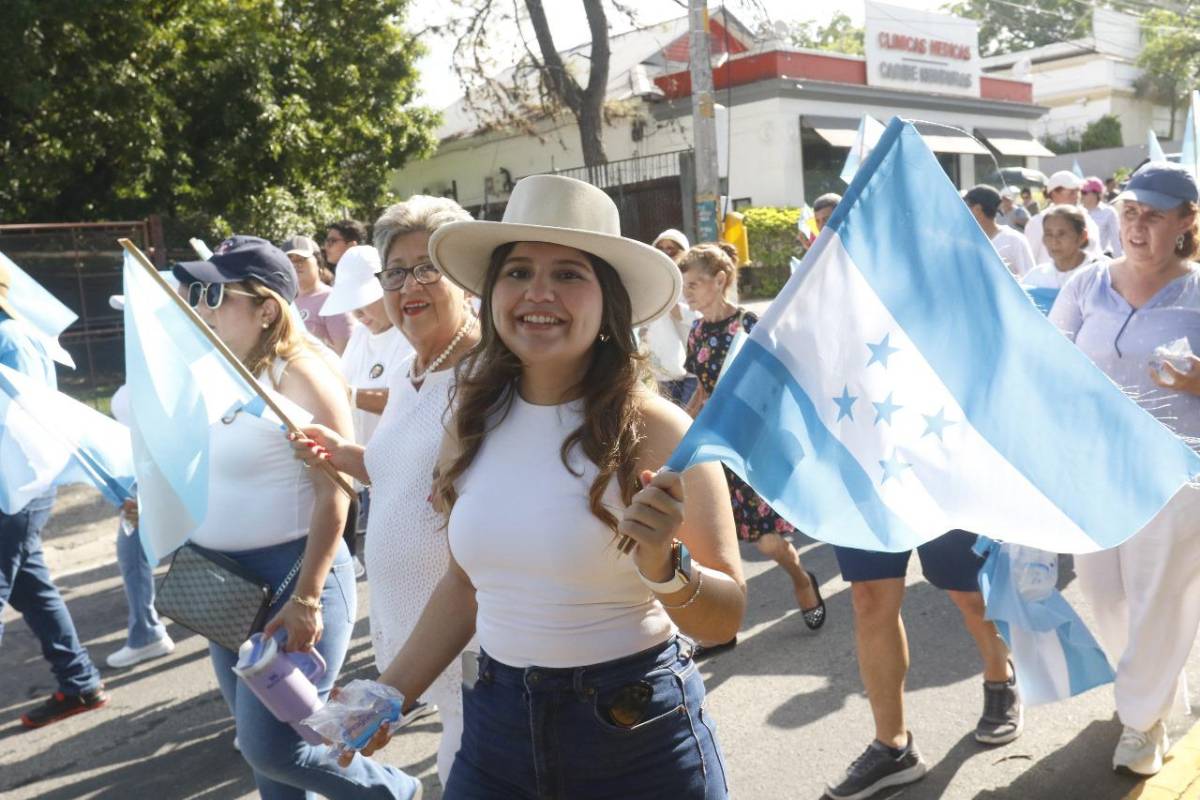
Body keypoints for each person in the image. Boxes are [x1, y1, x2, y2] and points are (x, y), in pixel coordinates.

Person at [349, 174, 744, 799]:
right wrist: (389, 693)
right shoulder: (470, 419)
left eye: (568, 274)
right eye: (518, 271)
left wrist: (664, 564)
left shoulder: (659, 429)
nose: (538, 293)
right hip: (497, 726)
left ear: (608, 301)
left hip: (634, 732)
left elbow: (724, 619)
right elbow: (464, 583)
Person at [172, 236, 420, 799]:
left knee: (276, 747)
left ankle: (395, 792)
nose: (199, 305)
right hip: (227, 586)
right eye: (195, 292)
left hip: (294, 577)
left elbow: (337, 488)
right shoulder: (222, 371)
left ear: (265, 307)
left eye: (213, 293)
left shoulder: (301, 372)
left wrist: (307, 596)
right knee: (266, 756)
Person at [291, 195, 482, 786]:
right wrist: (340, 452)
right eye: (395, 271)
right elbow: (400, 468)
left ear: (467, 277)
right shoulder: (408, 370)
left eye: (429, 267)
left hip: (477, 643)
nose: (409, 285)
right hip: (418, 635)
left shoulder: (485, 375)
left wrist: (389, 690)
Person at [1048, 161, 1200, 777]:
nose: (1136, 227)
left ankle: (1140, 722)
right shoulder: (1086, 285)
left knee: (1157, 593)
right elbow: (1048, 361)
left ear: (1187, 223)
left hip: (1177, 470)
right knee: (1104, 592)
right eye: (1130, 212)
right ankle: (1155, 693)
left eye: (1154, 216)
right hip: (1095, 469)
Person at [681, 242, 826, 636]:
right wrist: (682, 425)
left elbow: (778, 380)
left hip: (751, 446)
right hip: (715, 446)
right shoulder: (696, 332)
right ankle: (716, 624)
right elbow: (703, 391)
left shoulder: (748, 325)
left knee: (767, 544)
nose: (687, 291)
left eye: (695, 282)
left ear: (721, 280)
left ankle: (800, 578)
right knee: (705, 536)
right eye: (685, 284)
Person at [824, 526, 1022, 800]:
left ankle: (1000, 676)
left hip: (938, 485)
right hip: (863, 489)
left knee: (969, 591)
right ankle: (893, 747)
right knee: (868, 597)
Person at [0, 261, 109, 728]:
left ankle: (80, 682)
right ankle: (80, 683)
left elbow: (24, 418)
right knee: (35, 590)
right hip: (16, 487)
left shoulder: (11, 337)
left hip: (15, 488)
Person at [106, 382, 174, 669]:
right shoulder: (138, 352)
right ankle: (146, 632)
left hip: (161, 476)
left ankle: (146, 634)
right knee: (132, 552)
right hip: (142, 478)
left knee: (133, 552)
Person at [644, 229, 698, 405]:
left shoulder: (693, 278)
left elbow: (701, 314)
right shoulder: (653, 279)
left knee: (688, 418)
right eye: (661, 248)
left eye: (672, 248)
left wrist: (674, 307)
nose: (666, 252)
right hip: (666, 368)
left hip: (693, 365)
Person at [283, 235, 355, 355]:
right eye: (290, 260)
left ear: (319, 263)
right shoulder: (285, 303)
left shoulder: (332, 299)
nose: (295, 264)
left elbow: (348, 352)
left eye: (301, 258)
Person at [1025, 171, 1103, 265]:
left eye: (1077, 191)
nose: (1076, 197)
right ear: (1054, 194)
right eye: (1071, 193)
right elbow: (1029, 261)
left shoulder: (1087, 220)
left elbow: (1097, 254)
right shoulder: (1037, 223)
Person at [1024, 205, 1105, 289]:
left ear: (1082, 236)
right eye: (1049, 234)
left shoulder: (1102, 272)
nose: (1054, 241)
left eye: (1062, 234)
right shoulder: (1035, 278)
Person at [964, 185, 1036, 277]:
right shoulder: (964, 241)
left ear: (977, 209)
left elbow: (1030, 279)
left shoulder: (1014, 240)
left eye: (966, 206)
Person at [1082, 176, 1123, 257]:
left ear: (1096, 194)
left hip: (1101, 260)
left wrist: (1119, 262)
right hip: (1080, 262)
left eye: (1084, 192)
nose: (1081, 195)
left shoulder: (1109, 212)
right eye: (1081, 192)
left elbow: (1115, 240)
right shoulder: (1078, 211)